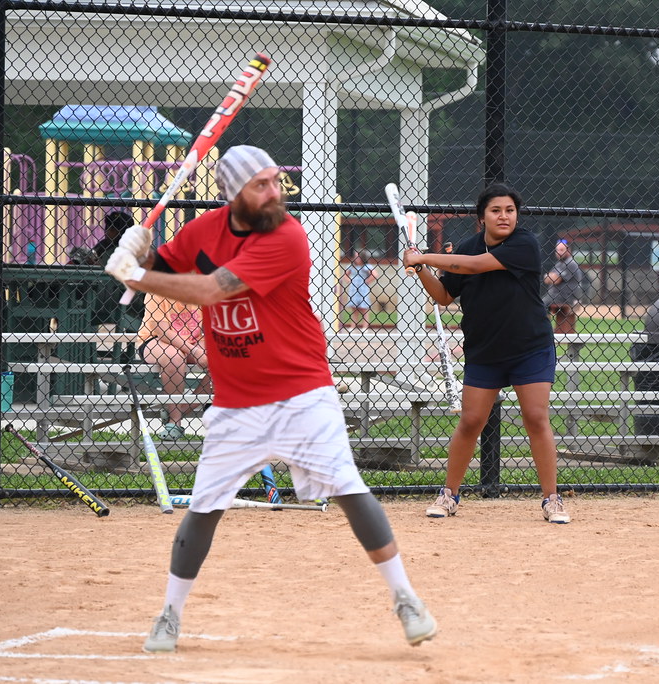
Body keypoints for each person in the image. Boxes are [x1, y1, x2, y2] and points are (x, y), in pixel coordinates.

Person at [104, 145, 436, 652]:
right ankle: (169, 613)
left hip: (301, 393)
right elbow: (167, 262)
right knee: (204, 507)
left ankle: (406, 598)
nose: (275, 192)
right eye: (261, 184)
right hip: (237, 402)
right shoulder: (202, 231)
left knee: (348, 488)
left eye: (276, 181)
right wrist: (137, 246)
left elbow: (213, 289)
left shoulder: (287, 237)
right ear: (232, 194)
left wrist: (135, 274)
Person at [403, 183, 571, 524]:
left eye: (509, 210)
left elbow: (475, 266)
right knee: (471, 421)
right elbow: (444, 296)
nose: (504, 216)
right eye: (496, 210)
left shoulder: (524, 244)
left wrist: (424, 256)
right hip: (485, 351)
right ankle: (449, 495)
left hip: (530, 348)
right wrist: (421, 270)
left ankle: (552, 499)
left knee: (536, 418)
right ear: (482, 218)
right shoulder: (467, 247)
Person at [136, 292, 211, 440]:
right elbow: (162, 332)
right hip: (155, 340)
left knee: (224, 357)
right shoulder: (156, 290)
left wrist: (203, 345)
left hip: (192, 342)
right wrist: (194, 351)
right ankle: (175, 420)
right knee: (174, 357)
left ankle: (182, 409)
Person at [543, 238, 584, 334]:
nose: (559, 252)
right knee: (541, 303)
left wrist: (551, 277)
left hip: (568, 297)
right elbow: (546, 279)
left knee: (541, 304)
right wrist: (550, 277)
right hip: (556, 295)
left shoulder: (571, 263)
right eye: (557, 250)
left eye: (561, 250)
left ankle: (546, 330)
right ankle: (547, 329)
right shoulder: (559, 263)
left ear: (568, 250)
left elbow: (556, 280)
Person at [342, 250, 376, 328]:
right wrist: (349, 281)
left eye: (358, 257)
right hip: (353, 289)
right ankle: (353, 326)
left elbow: (374, 274)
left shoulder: (367, 266)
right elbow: (345, 275)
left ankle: (365, 327)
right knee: (354, 308)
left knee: (364, 308)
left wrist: (367, 281)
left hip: (363, 289)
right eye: (355, 257)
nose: (356, 259)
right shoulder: (352, 266)